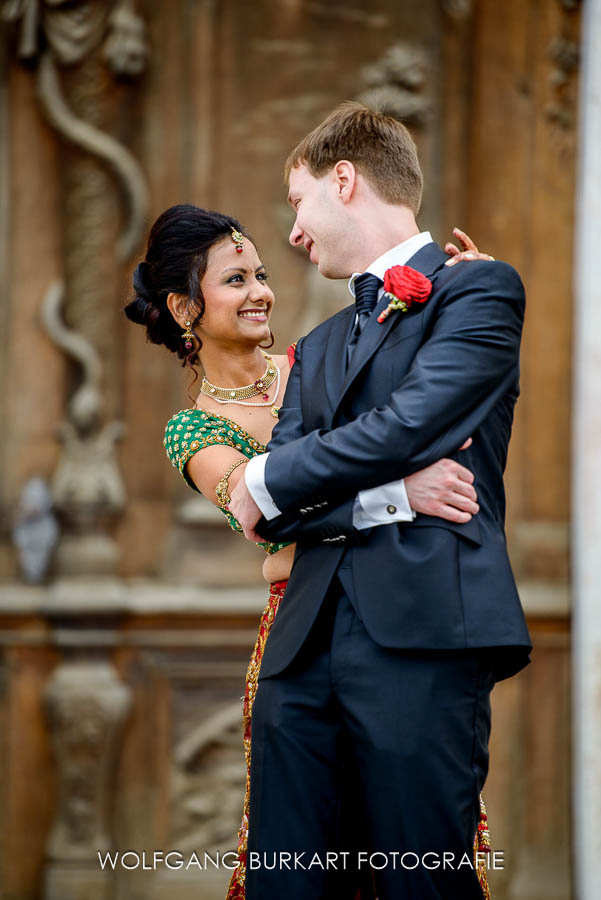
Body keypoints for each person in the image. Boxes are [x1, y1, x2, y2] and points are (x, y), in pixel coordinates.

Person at [124, 203, 495, 899]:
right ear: (182, 307)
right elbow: (269, 519)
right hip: (304, 637)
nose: (261, 291)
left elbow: (431, 406)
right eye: (235, 280)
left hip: (399, 616)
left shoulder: (323, 362)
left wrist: (462, 298)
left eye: (260, 274)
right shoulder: (194, 430)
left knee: (415, 844)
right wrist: (392, 497)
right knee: (305, 856)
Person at [229, 102, 533, 900]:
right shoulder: (320, 344)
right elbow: (285, 517)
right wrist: (392, 494)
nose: (292, 234)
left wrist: (262, 477)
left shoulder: (479, 292)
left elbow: (408, 424)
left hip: (422, 638)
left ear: (343, 178)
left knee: (416, 883)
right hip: (299, 657)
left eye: (296, 203)